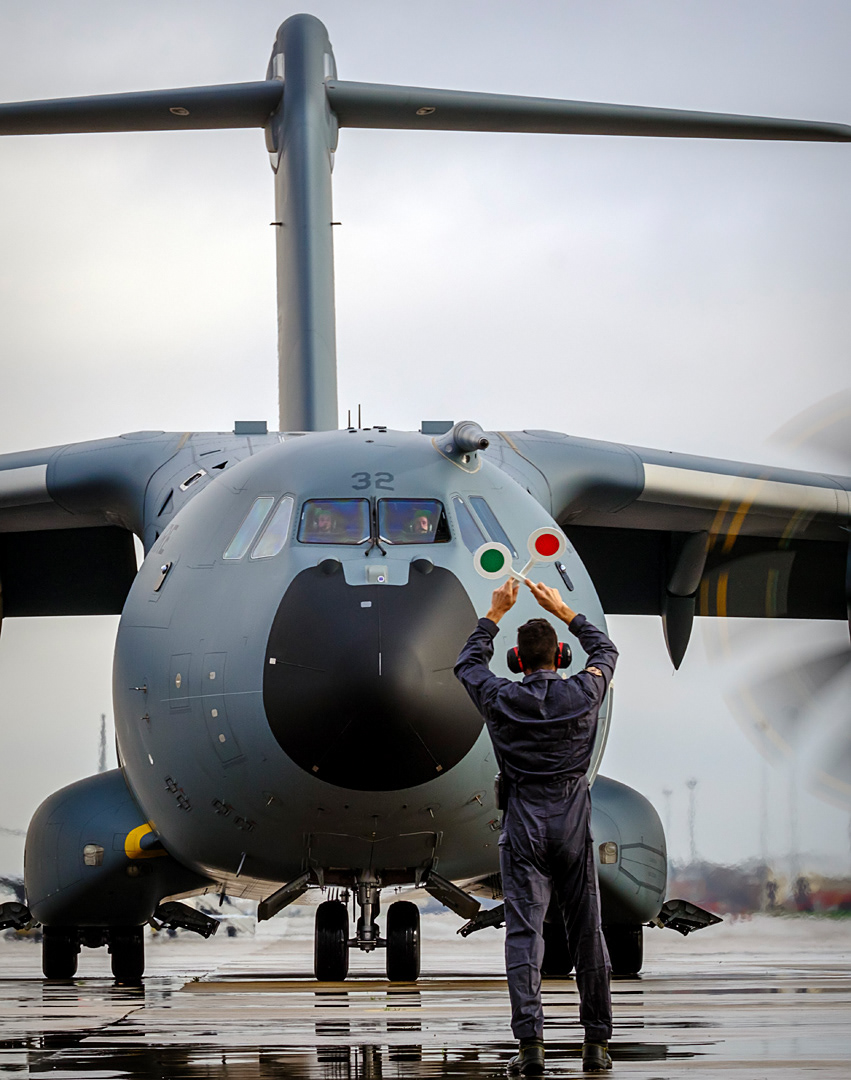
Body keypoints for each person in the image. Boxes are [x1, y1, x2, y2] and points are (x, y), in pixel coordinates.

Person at [454, 576, 618, 1076]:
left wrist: (495, 612)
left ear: (518, 661)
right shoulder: (584, 691)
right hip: (571, 823)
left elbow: (466, 664)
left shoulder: (501, 697)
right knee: (587, 932)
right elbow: (606, 650)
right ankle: (596, 1044)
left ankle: (531, 1049)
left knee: (525, 938)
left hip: (523, 825)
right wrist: (565, 609)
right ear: (560, 656)